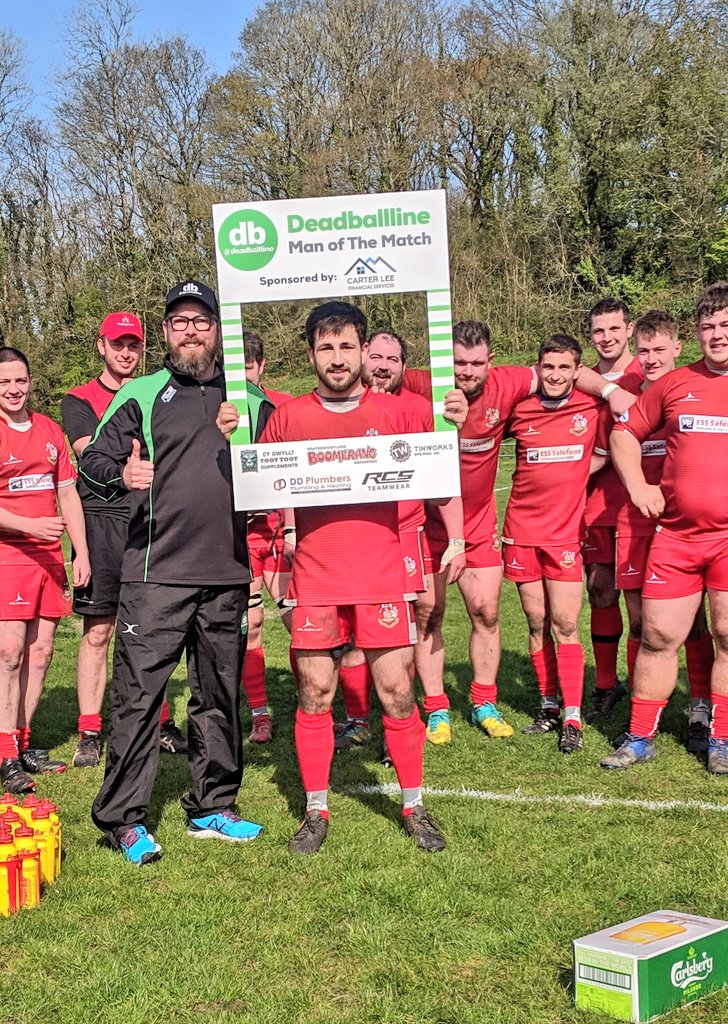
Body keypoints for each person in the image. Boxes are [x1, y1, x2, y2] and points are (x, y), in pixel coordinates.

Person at [219, 301, 466, 854]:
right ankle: (315, 811)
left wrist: (454, 420)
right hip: (314, 577)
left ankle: (413, 803)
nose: (337, 358)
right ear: (311, 354)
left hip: (381, 573)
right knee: (313, 692)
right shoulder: (286, 419)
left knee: (399, 694)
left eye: (346, 347)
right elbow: (258, 495)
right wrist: (231, 441)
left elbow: (441, 472)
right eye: (326, 348)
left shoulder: (404, 412)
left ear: (362, 351)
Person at [80, 280, 270, 866]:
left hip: (227, 574)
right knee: (139, 698)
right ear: (165, 332)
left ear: (219, 331)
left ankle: (213, 805)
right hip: (154, 574)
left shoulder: (252, 402)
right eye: (179, 321)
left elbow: (290, 470)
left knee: (217, 694)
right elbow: (92, 460)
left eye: (202, 321)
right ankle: (123, 819)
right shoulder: (140, 392)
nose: (191, 331)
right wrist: (123, 475)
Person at [603, 283, 728, 773]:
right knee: (656, 635)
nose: (717, 335)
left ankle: (721, 738)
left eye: (725, 325)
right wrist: (636, 485)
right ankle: (639, 736)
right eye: (709, 327)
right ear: (696, 333)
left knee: (726, 634)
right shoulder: (674, 386)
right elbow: (623, 433)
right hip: (676, 537)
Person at [61, 312, 188, 769]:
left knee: (156, 629)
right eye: (118, 344)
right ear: (101, 346)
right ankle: (91, 729)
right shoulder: (78, 399)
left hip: (151, 520)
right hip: (100, 523)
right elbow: (89, 450)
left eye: (133, 344)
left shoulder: (162, 391)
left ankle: (160, 721)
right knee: (99, 630)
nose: (126, 352)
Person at [503, 335, 610, 753]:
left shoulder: (590, 407)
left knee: (565, 624)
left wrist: (576, 473)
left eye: (564, 368)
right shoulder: (521, 408)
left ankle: (572, 716)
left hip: (564, 533)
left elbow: (607, 450)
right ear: (538, 366)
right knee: (535, 621)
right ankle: (548, 706)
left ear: (576, 371)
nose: (555, 375)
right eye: (548, 366)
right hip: (520, 530)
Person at [0, 348, 91, 793]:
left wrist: (82, 552)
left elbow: (69, 496)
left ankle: (22, 741)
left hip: (50, 558)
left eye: (19, 380)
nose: (13, 390)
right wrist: (29, 524)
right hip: (8, 555)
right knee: (10, 652)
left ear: (30, 381)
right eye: (4, 383)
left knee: (40, 654)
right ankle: (4, 754)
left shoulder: (50, 430)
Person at [582, 299, 643, 721]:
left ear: (629, 328)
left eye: (614, 329)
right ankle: (606, 683)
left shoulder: (648, 371)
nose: (606, 338)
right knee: (601, 591)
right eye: (598, 331)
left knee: (641, 604)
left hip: (639, 506)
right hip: (594, 505)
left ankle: (643, 685)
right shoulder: (580, 378)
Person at [240, 330, 294, 744]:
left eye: (247, 366)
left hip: (282, 528)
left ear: (260, 367)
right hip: (239, 537)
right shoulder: (219, 413)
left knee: (301, 620)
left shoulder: (283, 409)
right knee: (251, 623)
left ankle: (329, 703)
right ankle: (260, 714)